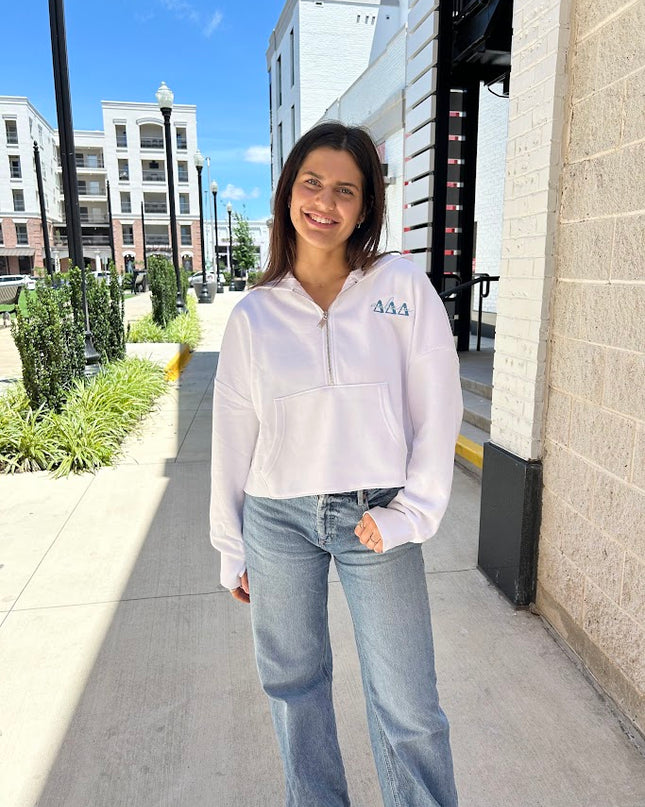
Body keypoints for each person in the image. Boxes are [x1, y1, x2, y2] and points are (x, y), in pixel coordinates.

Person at [210, 121, 463, 807]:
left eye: (344, 190)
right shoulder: (254, 315)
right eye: (311, 182)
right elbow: (234, 431)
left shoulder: (400, 288)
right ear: (289, 190)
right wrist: (231, 546)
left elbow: (438, 407)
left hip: (373, 513)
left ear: (365, 206)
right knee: (293, 689)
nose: (325, 202)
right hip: (276, 519)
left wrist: (412, 513)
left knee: (407, 701)